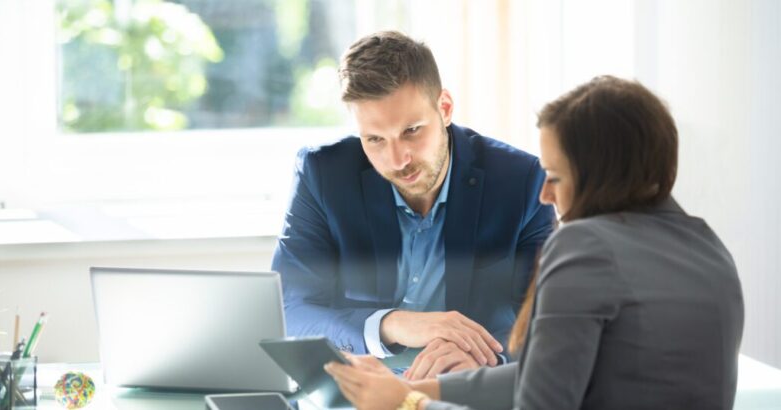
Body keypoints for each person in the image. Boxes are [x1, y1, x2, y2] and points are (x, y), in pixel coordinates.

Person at [325, 76, 745, 409]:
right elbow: (544, 375)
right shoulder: (709, 248)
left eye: (556, 177)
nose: (545, 195)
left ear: (604, 176)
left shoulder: (585, 246)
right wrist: (431, 389)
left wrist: (408, 402)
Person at [271, 30, 554, 376]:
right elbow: (291, 310)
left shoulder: (521, 181)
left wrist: (490, 360)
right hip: (355, 394)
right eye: (374, 139)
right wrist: (390, 325)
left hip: (461, 393)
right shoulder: (323, 175)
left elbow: (547, 317)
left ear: (445, 108)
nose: (397, 159)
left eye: (412, 131)